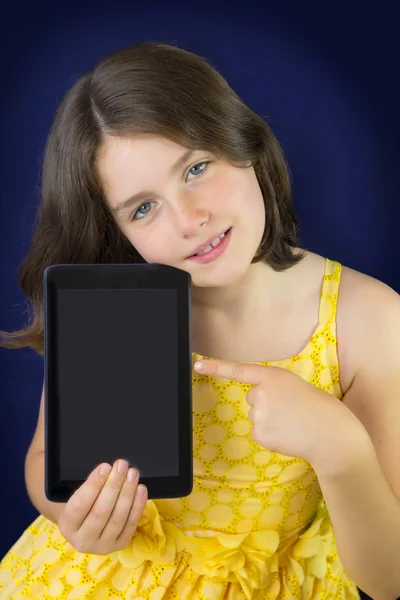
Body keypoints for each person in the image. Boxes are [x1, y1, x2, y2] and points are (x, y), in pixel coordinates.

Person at [0, 41, 399, 600]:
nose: (190, 219)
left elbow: (389, 580)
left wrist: (343, 451)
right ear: (121, 232)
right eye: (143, 207)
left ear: (246, 145)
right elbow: (46, 461)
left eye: (196, 168)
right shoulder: (108, 312)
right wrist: (72, 513)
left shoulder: (367, 321)